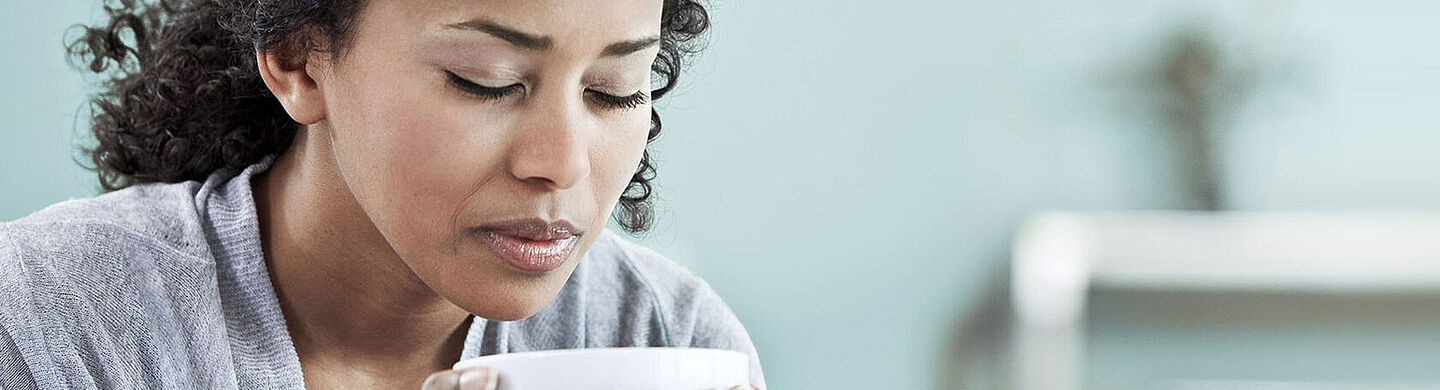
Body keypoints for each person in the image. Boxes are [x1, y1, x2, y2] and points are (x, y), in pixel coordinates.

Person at [0, 0, 765, 388]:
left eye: (615, 91)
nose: (561, 164)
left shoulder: (669, 342)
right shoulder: (51, 326)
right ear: (299, 59)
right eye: (484, 81)